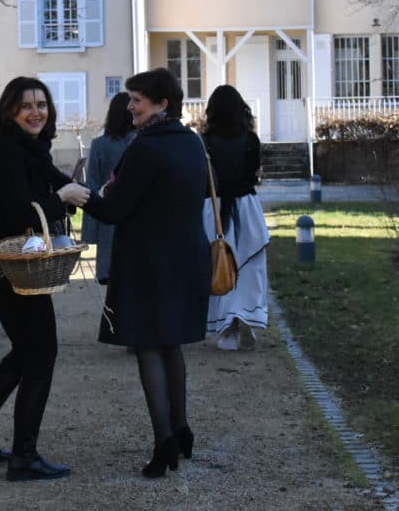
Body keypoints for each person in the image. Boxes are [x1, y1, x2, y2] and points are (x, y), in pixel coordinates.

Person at [0, 76, 90, 482]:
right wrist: (62, 199)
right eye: (26, 105)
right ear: (10, 111)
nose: (36, 112)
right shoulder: (8, 153)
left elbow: (59, 184)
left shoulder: (33, 150)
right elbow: (19, 213)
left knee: (28, 352)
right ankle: (24, 457)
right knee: (41, 354)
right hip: (3, 268)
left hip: (15, 265)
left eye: (42, 104)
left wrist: (88, 196)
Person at [80, 67, 209, 478]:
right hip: (187, 255)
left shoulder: (145, 146)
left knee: (149, 345)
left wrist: (82, 196)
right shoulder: (192, 143)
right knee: (171, 343)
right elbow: (205, 188)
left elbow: (115, 209)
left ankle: (163, 443)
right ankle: (182, 429)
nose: (129, 106)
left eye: (137, 99)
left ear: (162, 104)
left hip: (148, 258)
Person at [199, 84, 269, 350]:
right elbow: (253, 175)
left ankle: (227, 327)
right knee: (250, 266)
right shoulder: (251, 140)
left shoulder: (204, 142)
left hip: (214, 208)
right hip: (247, 207)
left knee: (220, 264)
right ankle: (246, 314)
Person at [80, 92, 134, 285]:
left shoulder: (99, 144)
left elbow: (92, 186)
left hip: (108, 214)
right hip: (136, 214)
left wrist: (90, 232)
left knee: (110, 282)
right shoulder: (141, 141)